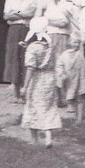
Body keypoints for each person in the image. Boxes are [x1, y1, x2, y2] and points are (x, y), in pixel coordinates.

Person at [20, 17, 62, 147]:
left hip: (37, 79)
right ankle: (48, 137)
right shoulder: (50, 46)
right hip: (49, 78)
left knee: (33, 106)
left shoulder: (33, 48)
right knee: (48, 107)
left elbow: (31, 68)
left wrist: (25, 87)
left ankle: (35, 139)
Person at [2, 0, 38, 102]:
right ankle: (16, 93)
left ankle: (25, 92)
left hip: (25, 30)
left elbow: (30, 14)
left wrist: (15, 13)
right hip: (13, 31)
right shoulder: (10, 0)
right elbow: (6, 16)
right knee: (13, 58)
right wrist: (20, 13)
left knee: (24, 58)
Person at [42, 0, 71, 106]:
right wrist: (52, 21)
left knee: (62, 66)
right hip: (50, 37)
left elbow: (64, 23)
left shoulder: (65, 5)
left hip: (62, 37)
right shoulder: (48, 5)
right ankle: (54, 97)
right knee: (51, 66)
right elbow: (44, 20)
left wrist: (49, 21)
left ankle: (64, 97)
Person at [57, 35, 85, 122]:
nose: (76, 45)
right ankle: (75, 114)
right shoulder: (64, 54)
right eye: (74, 42)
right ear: (69, 43)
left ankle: (79, 118)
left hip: (80, 80)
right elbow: (59, 65)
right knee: (71, 99)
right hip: (69, 80)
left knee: (80, 99)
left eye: (78, 43)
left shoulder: (80, 55)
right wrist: (62, 73)